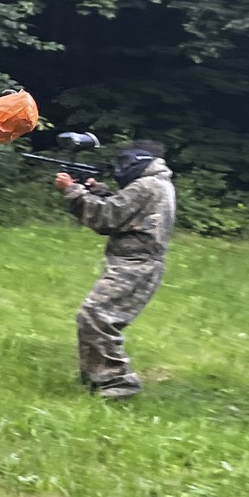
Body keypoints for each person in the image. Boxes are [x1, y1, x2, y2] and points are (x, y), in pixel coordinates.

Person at [56, 139, 175, 399]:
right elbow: (125, 211)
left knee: (96, 316)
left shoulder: (146, 185)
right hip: (138, 262)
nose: (122, 167)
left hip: (136, 264)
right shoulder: (156, 182)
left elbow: (106, 218)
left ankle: (118, 384)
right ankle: (96, 377)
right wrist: (99, 191)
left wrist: (73, 191)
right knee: (96, 316)